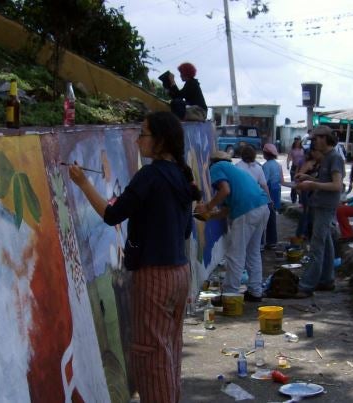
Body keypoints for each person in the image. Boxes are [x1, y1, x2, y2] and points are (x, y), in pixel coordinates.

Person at [68, 111, 201, 402]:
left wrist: (82, 183)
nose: (138, 139)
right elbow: (187, 230)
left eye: (143, 134)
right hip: (179, 273)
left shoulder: (150, 175)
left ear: (161, 140)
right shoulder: (180, 174)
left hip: (154, 276)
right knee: (169, 350)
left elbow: (112, 214)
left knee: (152, 357)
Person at [195, 151, 270, 302]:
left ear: (212, 162)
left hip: (247, 209)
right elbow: (226, 210)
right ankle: (255, 291)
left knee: (236, 254)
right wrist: (209, 217)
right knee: (253, 252)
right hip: (262, 207)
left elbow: (225, 190)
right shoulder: (236, 171)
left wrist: (208, 207)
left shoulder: (217, 167)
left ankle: (230, 295)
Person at [293, 125, 345, 298]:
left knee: (317, 245)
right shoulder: (328, 157)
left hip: (325, 205)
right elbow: (327, 180)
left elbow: (337, 185)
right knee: (326, 243)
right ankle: (326, 279)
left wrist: (312, 184)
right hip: (321, 204)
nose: (314, 143)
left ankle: (307, 285)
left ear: (324, 138)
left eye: (315, 139)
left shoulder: (334, 158)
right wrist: (309, 178)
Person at [262, 143, 287, 247]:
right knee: (272, 216)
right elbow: (282, 181)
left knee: (264, 218)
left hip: (269, 191)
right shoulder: (278, 165)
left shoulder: (265, 166)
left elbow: (264, 182)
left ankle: (263, 242)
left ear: (266, 154)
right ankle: (272, 241)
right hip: (277, 191)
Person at [294, 146, 322, 240]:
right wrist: (298, 188)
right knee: (306, 211)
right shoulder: (309, 163)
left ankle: (307, 233)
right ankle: (301, 233)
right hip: (307, 191)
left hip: (315, 192)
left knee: (311, 213)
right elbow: (298, 176)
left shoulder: (320, 163)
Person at [287, 137, 305, 203]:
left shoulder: (303, 149)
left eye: (298, 140)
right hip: (294, 167)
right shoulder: (292, 149)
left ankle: (301, 200)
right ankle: (293, 199)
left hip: (301, 168)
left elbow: (306, 158)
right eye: (296, 140)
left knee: (301, 183)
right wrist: (287, 165)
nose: (297, 142)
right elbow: (289, 157)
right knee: (294, 184)